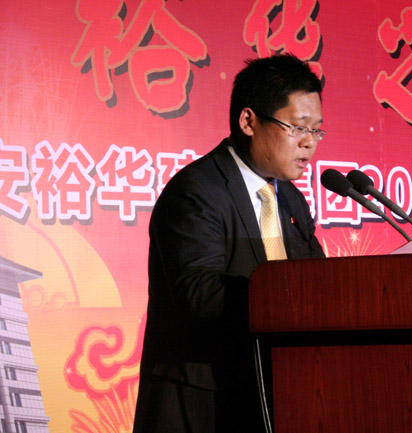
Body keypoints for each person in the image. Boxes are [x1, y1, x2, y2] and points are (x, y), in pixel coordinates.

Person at [133, 54, 326, 433]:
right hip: (204, 403)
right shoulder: (196, 191)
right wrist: (285, 295)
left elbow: (315, 281)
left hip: (275, 395)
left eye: (316, 130)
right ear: (248, 121)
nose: (309, 143)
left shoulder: (291, 200)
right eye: (297, 127)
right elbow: (199, 295)